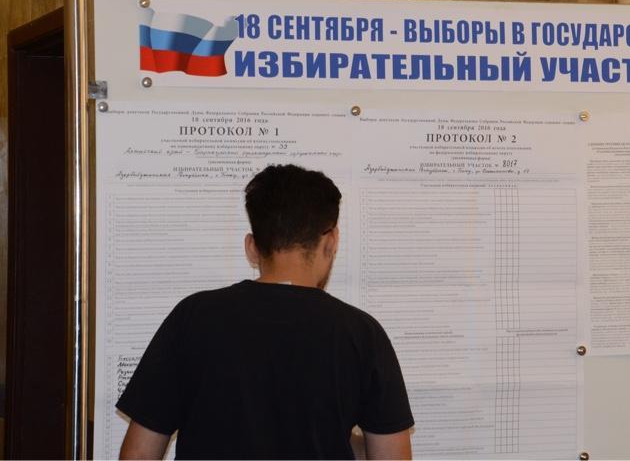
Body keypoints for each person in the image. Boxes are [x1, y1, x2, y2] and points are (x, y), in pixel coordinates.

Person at [116, 164, 414, 459]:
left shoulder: (192, 317)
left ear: (252, 247)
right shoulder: (362, 333)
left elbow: (139, 454)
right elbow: (392, 456)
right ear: (331, 241)